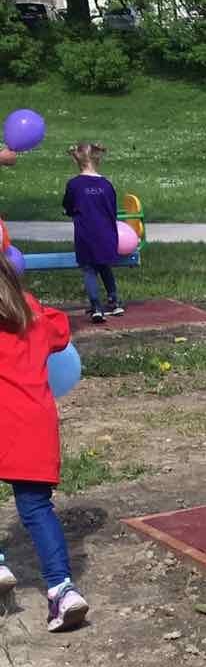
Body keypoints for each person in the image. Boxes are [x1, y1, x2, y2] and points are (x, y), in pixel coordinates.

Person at [0, 255, 90, 631]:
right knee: (36, 507)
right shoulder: (35, 316)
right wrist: (29, 302)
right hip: (35, 424)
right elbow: (62, 330)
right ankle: (62, 589)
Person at [61, 141, 121, 324]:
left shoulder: (74, 185)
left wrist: (69, 212)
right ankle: (115, 300)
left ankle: (96, 307)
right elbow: (113, 209)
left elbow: (68, 205)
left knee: (89, 269)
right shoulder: (107, 185)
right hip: (107, 232)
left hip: (86, 233)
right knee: (104, 265)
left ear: (77, 160)